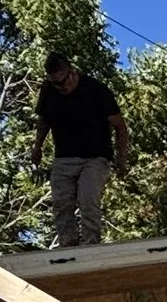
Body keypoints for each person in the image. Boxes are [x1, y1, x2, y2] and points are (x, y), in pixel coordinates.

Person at [31, 53, 128, 247]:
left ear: (72, 73)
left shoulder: (96, 90)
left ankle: (91, 243)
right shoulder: (49, 91)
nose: (63, 88)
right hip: (64, 158)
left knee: (87, 199)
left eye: (64, 81)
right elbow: (44, 121)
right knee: (61, 203)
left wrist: (121, 159)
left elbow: (120, 127)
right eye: (56, 84)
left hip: (96, 157)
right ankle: (68, 246)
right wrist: (37, 147)